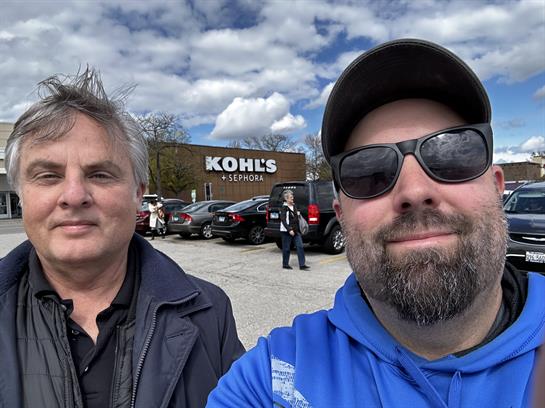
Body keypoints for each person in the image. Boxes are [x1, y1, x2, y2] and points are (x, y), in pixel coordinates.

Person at [208, 39, 545, 407]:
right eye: (369, 172)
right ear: (341, 215)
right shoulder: (271, 379)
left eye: (450, 156)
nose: (414, 191)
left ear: (497, 187)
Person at [0, 68, 244, 408]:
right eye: (48, 176)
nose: (74, 195)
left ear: (138, 194)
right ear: (21, 195)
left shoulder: (209, 312)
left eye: (100, 174)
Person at [279, 189, 309, 270]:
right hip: (286, 231)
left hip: (296, 230)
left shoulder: (294, 206)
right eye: (291, 197)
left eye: (292, 197)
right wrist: (289, 230)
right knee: (286, 249)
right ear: (286, 199)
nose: (293, 198)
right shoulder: (284, 208)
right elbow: (283, 220)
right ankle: (285, 264)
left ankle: (302, 265)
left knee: (300, 246)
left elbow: (296, 217)